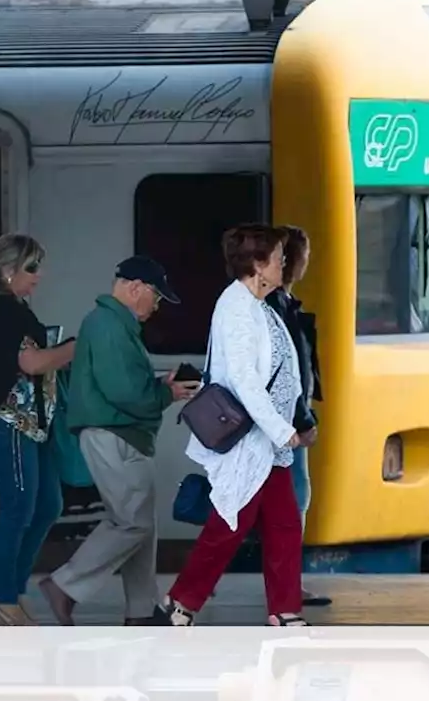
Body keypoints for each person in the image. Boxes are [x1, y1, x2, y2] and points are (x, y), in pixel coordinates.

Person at [154, 225, 311, 627]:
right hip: (250, 440)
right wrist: (282, 429)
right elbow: (244, 378)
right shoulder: (237, 307)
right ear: (258, 265)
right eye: (278, 258)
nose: (284, 264)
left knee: (284, 524)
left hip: (267, 444)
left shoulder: (259, 304)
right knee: (229, 525)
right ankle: (181, 602)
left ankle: (284, 610)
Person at [38, 256, 200, 625]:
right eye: (156, 297)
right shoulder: (109, 326)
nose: (156, 306)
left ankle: (141, 610)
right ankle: (65, 585)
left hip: (121, 435)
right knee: (131, 522)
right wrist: (165, 394)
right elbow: (124, 391)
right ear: (135, 288)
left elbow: (123, 383)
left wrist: (160, 385)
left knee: (142, 524)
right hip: (115, 435)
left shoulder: (110, 324)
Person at [0, 233, 75, 625]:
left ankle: (11, 590)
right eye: (31, 267)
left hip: (32, 426)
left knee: (48, 505)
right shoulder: (3, 312)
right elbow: (31, 363)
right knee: (18, 508)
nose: (39, 275)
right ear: (7, 271)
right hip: (9, 423)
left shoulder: (17, 309)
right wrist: (75, 347)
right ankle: (1, 596)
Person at [263, 226, 330, 608]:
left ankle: (287, 581)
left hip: (286, 417)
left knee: (285, 502)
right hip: (285, 420)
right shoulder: (279, 308)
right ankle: (287, 584)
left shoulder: (283, 304)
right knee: (294, 500)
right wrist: (304, 420)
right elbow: (291, 372)